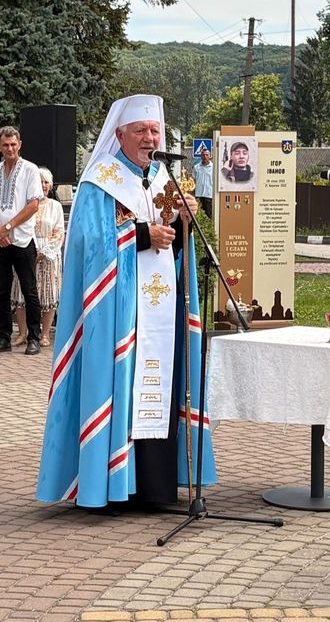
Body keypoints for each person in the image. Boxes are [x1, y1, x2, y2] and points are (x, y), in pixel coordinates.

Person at [36, 93, 213, 508]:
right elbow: (89, 243)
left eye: (154, 130)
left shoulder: (165, 180)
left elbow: (175, 245)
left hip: (161, 308)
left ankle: (156, 485)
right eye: (141, 131)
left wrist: (182, 227)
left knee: (162, 386)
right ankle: (117, 484)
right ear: (120, 134)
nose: (150, 138)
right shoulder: (101, 180)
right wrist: (140, 235)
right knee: (122, 386)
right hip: (118, 311)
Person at [0, 126, 44, 355]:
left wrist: (7, 227)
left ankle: (34, 337)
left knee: (29, 289)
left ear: (20, 144)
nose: (9, 148)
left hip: (22, 238)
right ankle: (4, 336)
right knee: (1, 290)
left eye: (13, 144)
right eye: (5, 145)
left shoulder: (30, 169)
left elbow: (33, 204)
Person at [14, 167, 65, 348]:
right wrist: (31, 249)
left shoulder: (55, 206)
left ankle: (44, 334)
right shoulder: (24, 203)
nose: (43, 185)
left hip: (48, 255)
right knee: (22, 293)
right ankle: (22, 332)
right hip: (26, 249)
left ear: (50, 185)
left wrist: (45, 251)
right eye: (39, 181)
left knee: (48, 295)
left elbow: (59, 232)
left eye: (46, 182)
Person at [192, 146, 214, 217]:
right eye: (203, 155)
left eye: (207, 155)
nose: (205, 156)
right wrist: (192, 194)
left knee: (209, 216)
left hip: (209, 195)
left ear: (210, 156)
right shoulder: (196, 167)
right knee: (198, 216)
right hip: (198, 195)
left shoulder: (214, 168)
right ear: (201, 156)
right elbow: (193, 182)